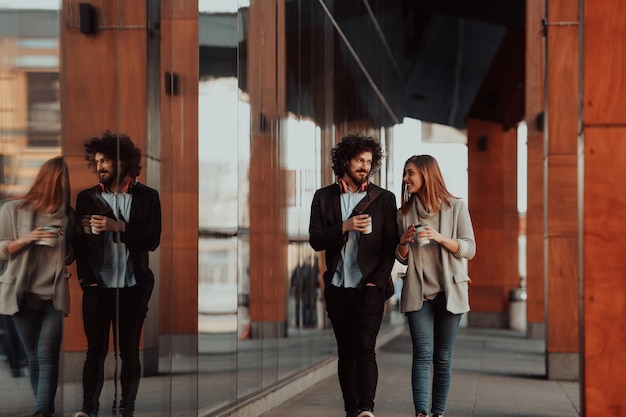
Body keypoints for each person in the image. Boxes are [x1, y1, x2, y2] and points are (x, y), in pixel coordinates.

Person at [309, 133, 399, 417]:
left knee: (365, 347)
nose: (364, 166)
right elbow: (315, 239)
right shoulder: (323, 197)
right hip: (337, 286)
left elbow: (390, 246)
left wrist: (376, 282)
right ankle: (351, 409)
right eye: (359, 160)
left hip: (369, 286)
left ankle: (366, 409)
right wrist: (344, 227)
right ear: (345, 160)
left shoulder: (384, 199)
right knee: (345, 350)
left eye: (369, 161)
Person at [72, 131, 161, 417]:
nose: (100, 166)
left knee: (129, 353)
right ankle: (89, 410)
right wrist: (88, 280)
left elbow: (152, 240)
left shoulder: (148, 197)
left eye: (105, 160)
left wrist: (118, 227)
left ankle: (126, 409)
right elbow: (79, 243)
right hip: (98, 287)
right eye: (97, 161)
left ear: (123, 162)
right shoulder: (87, 198)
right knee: (94, 352)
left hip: (133, 287)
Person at [395, 155, 476, 417]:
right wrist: (404, 242)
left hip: (450, 291)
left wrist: (441, 238)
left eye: (411, 174)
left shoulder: (456, 207)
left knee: (442, 357)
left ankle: (437, 413)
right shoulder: (403, 214)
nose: (406, 179)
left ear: (426, 175)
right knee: (422, 353)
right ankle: (421, 413)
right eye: (406, 174)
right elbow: (400, 257)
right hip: (419, 292)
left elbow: (470, 249)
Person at [0, 156, 75, 417]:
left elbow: (69, 260)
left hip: (53, 295)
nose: (65, 183)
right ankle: (42, 409)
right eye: (61, 178)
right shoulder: (13, 210)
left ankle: (43, 410)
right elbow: (1, 250)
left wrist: (67, 245)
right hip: (21, 293)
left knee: (47, 354)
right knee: (33, 356)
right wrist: (27, 239)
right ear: (49, 180)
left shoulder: (68, 215)